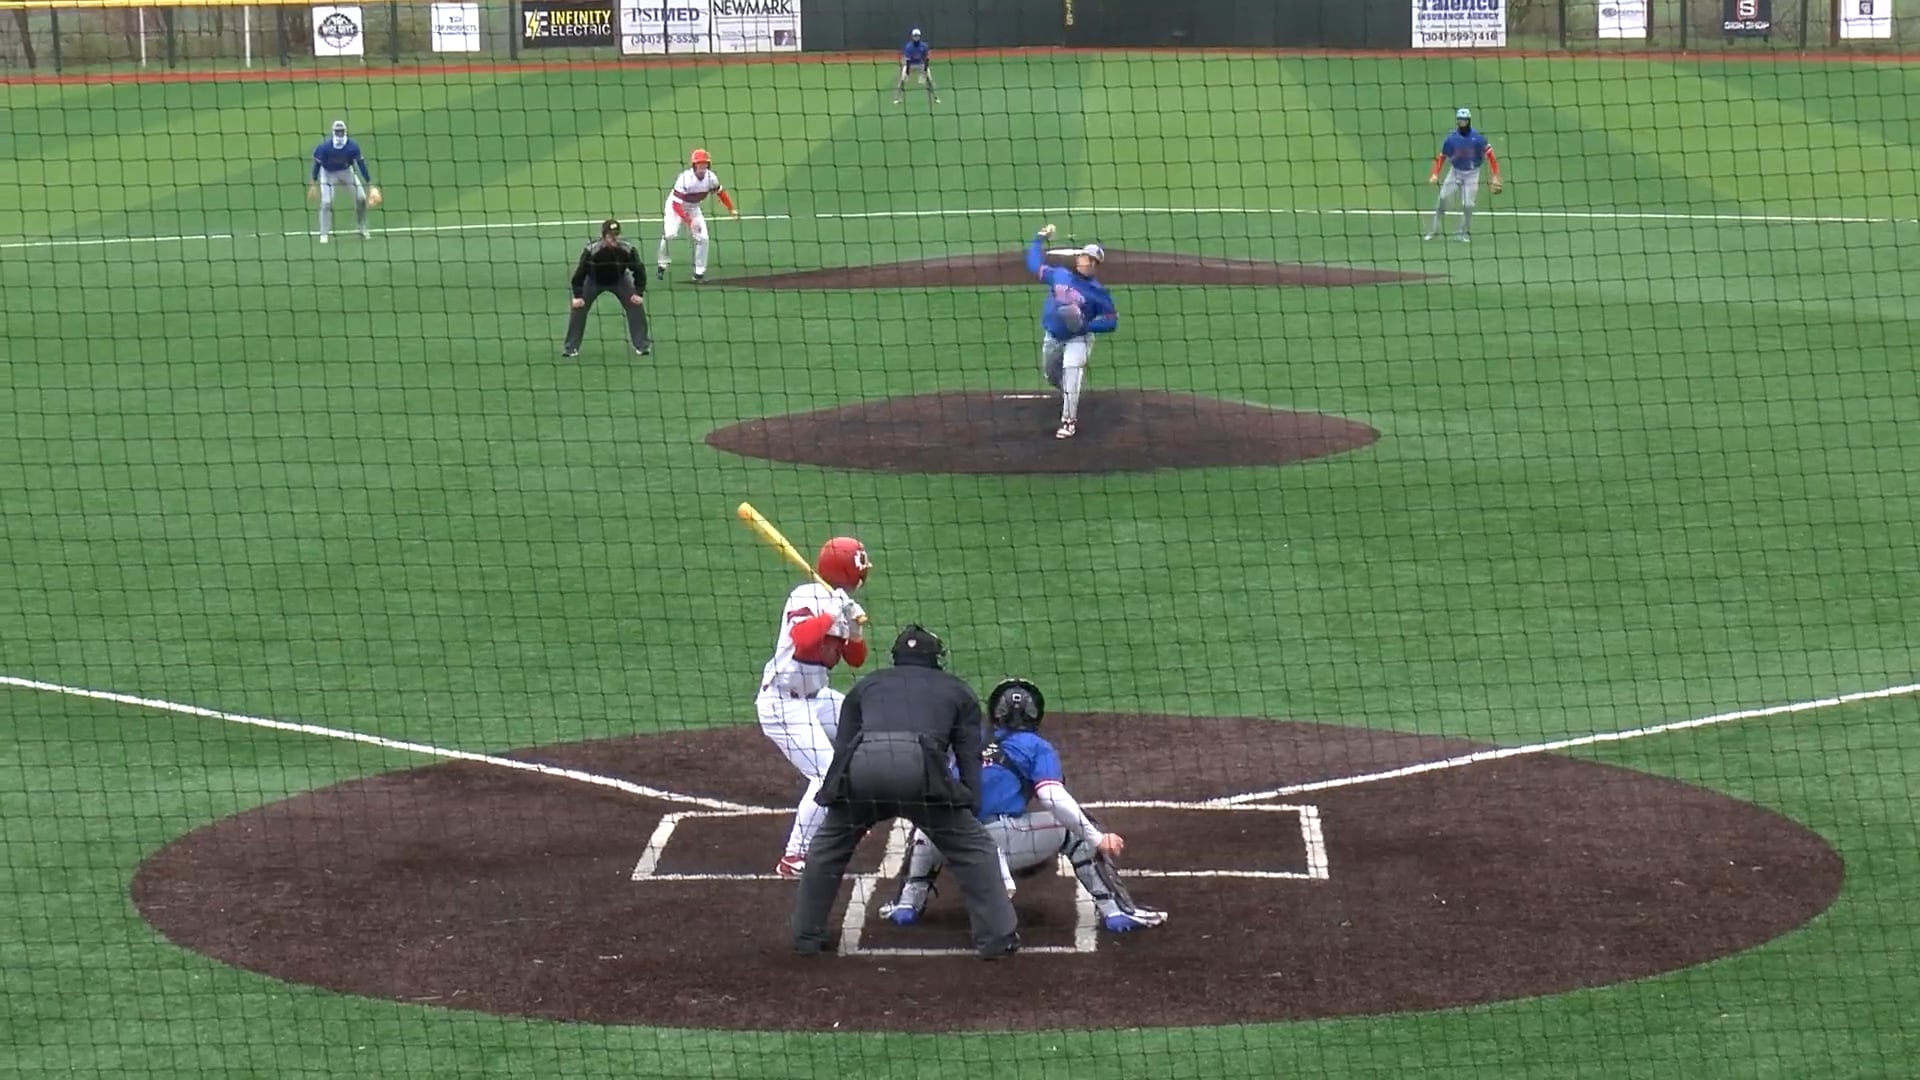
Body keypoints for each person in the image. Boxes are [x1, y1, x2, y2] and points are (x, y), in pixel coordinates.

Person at [791, 626, 1021, 960]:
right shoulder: (958, 690)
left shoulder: (867, 685)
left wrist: (840, 806)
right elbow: (968, 754)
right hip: (919, 771)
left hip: (863, 769)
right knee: (976, 850)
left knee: (827, 849)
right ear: (935, 658)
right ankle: (997, 939)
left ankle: (805, 935)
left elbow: (844, 748)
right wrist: (966, 807)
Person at [880, 678, 1169, 933]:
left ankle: (906, 904)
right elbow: (1052, 796)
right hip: (1001, 842)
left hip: (953, 842)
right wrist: (1097, 839)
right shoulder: (1036, 746)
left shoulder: (968, 740)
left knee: (929, 824)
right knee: (1081, 827)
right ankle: (1117, 911)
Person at [757, 537, 871, 877]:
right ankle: (794, 856)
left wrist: (853, 628)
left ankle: (846, 814)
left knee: (864, 725)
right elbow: (803, 640)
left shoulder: (839, 601)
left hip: (815, 699)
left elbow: (855, 659)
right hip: (782, 705)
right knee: (825, 774)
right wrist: (832, 612)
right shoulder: (805, 596)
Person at [1026, 226, 1118, 440]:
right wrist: (1038, 239)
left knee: (1071, 370)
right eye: (1085, 256)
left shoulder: (1098, 292)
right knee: (1051, 375)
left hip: (1079, 339)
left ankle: (1069, 420)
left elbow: (1111, 321)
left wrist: (1086, 326)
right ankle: (1069, 393)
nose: (1086, 261)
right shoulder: (1060, 274)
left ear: (1095, 265)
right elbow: (1033, 265)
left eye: (1091, 260)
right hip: (1053, 336)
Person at [563, 219, 651, 358]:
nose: (614, 239)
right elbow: (580, 273)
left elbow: (639, 270)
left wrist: (638, 293)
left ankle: (642, 346)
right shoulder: (592, 250)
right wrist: (577, 296)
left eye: (616, 235)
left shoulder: (627, 249)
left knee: (635, 306)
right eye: (610, 236)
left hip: (619, 280)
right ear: (604, 236)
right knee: (578, 309)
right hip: (593, 281)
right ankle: (570, 348)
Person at [656, 148, 739, 284]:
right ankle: (662, 263)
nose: (702, 167)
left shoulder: (711, 178)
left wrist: (731, 209)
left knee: (703, 238)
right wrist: (689, 222)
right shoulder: (685, 179)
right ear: (694, 165)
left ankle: (699, 272)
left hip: (693, 207)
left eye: (704, 164)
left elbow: (721, 193)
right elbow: (676, 205)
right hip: (675, 207)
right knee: (670, 234)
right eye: (699, 164)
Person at [1425, 107, 1502, 243]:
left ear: (1468, 121)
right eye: (1460, 120)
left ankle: (1461, 232)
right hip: (1455, 172)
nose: (1462, 123)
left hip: (1472, 175)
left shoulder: (1478, 139)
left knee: (1468, 205)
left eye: (1464, 121)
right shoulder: (1451, 139)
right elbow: (1441, 157)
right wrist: (1435, 174)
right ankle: (1434, 230)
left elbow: (1491, 156)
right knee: (1442, 198)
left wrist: (1495, 175)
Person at [307, 119, 379, 245]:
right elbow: (317, 166)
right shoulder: (324, 148)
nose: (339, 134)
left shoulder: (352, 147)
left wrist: (370, 185)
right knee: (326, 202)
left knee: (361, 198)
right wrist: (313, 184)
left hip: (346, 172)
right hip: (328, 174)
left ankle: (361, 227)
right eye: (337, 131)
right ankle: (324, 233)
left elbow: (361, 165)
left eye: (341, 131)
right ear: (333, 132)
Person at [895, 28, 939, 105]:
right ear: (912, 37)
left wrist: (925, 69)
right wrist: (907, 72)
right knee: (902, 79)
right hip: (910, 65)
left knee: (929, 79)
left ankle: (936, 98)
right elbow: (908, 60)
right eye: (915, 36)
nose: (916, 37)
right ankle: (897, 98)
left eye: (917, 36)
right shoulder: (908, 47)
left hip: (920, 64)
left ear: (920, 36)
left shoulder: (924, 46)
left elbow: (927, 58)